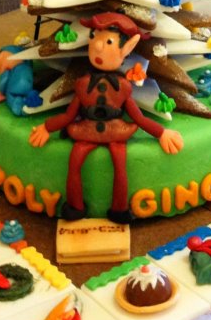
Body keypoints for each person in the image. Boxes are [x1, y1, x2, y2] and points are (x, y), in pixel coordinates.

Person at [29, 12, 183, 223]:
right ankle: (75, 206)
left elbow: (138, 118)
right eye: (94, 37)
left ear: (126, 49)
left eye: (108, 41)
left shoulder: (123, 87)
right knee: (74, 163)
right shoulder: (82, 85)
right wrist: (47, 127)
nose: (98, 46)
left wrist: (162, 132)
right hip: (85, 131)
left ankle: (119, 209)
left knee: (120, 167)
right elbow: (69, 115)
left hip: (117, 132)